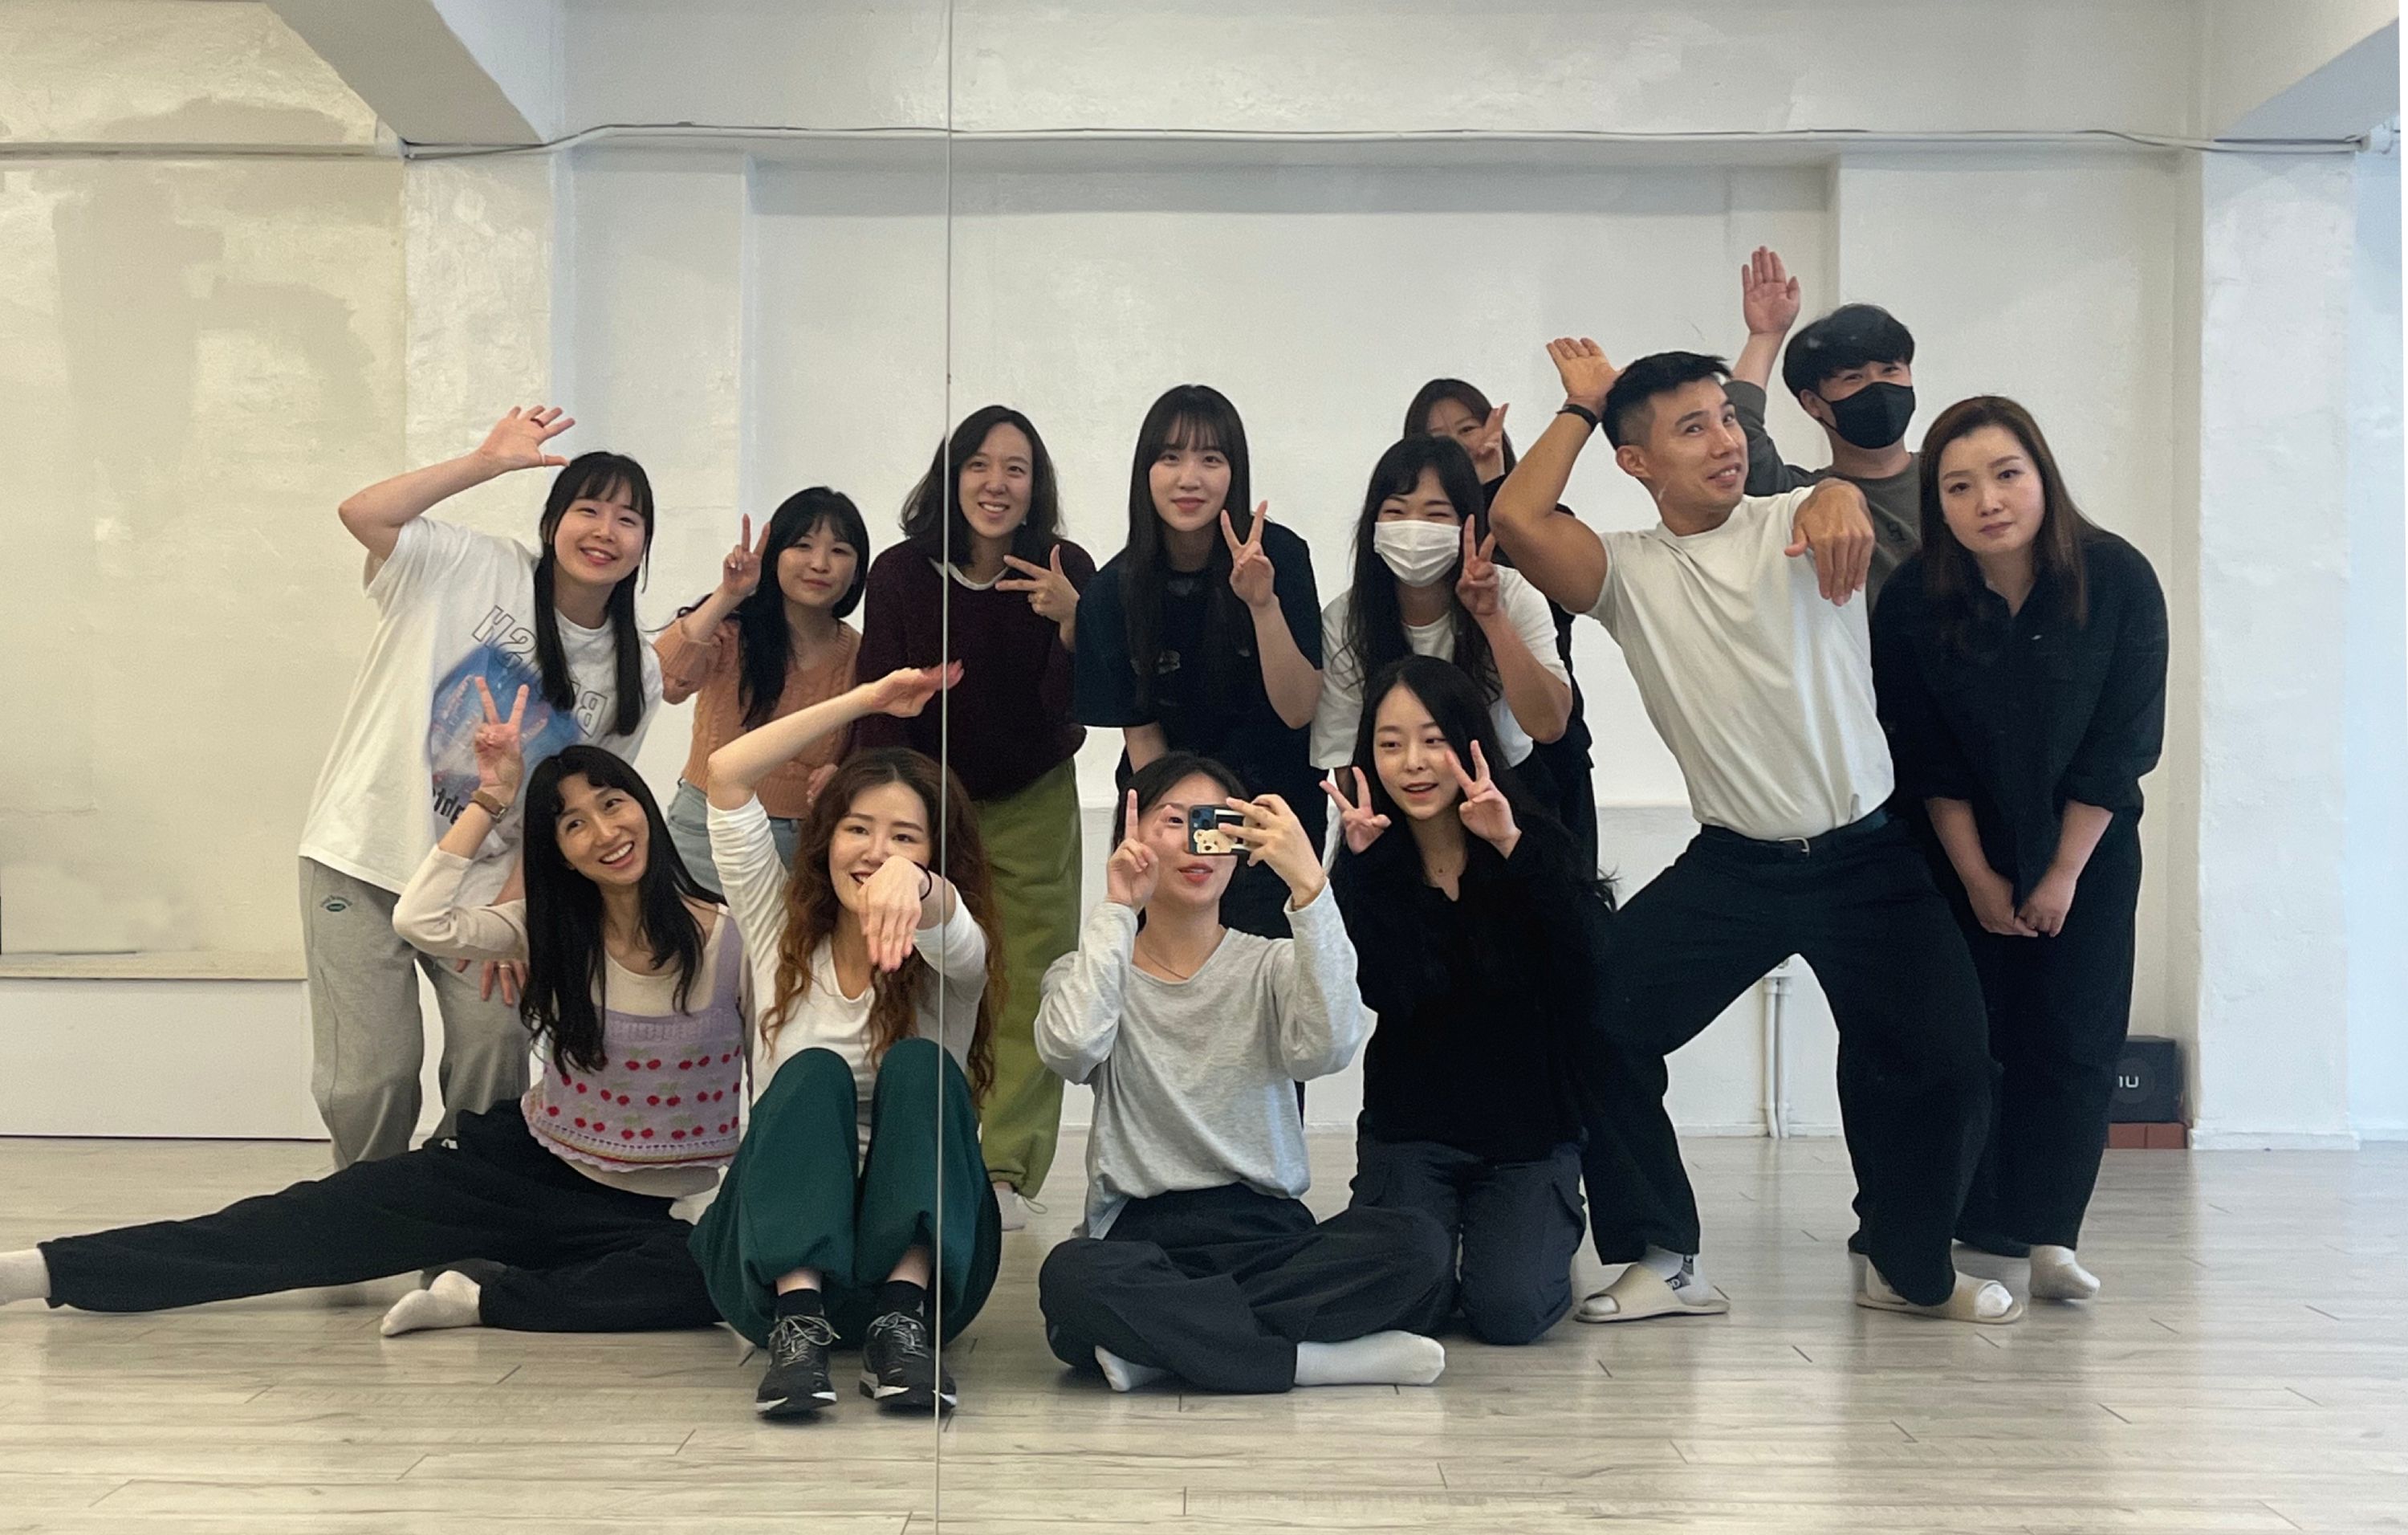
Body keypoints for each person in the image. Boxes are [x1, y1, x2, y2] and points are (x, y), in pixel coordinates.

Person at [1489, 339, 2015, 1325]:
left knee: (1952, 1062)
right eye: (1692, 428)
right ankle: (1664, 1256)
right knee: (1600, 1023)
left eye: (1727, 418)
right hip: (1736, 866)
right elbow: (1516, 519)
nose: (1725, 441)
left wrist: (1836, 494)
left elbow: (1837, 501)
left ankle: (1906, 1265)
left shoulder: (1801, 515)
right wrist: (1584, 405)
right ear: (1636, 461)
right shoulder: (1627, 571)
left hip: (1870, 855)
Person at [2, 693, 729, 1338]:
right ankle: (39, 1271)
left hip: (638, 1217)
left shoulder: (730, 938)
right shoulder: (544, 927)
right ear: (561, 854)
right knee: (285, 1231)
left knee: (711, 1281)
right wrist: (488, 802)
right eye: (573, 824)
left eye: (613, 804)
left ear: (645, 806)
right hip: (518, 1170)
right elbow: (422, 919)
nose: (604, 832)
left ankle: (478, 1300)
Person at [302, 406, 661, 1169]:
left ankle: (463, 1210)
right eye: (589, 509)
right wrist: (485, 462)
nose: (605, 530)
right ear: (553, 522)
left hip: (485, 888)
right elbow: (362, 513)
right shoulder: (470, 565)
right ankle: (364, 1212)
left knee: (494, 1061)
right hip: (363, 854)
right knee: (370, 1082)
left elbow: (572, 806)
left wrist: (514, 910)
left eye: (628, 519)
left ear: (643, 546)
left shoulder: (636, 669)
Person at [1031, 754, 1453, 1395]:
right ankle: (1311, 1362)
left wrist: (1309, 885)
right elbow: (1071, 1047)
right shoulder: (1090, 969)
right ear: (1132, 833)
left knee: (1420, 1245)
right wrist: (1117, 908)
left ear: (1239, 846)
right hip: (1143, 1238)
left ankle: (1165, 1350)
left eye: (1214, 823)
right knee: (1070, 1278)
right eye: (1174, 820)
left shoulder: (1273, 966)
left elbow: (1330, 1047)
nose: (1195, 841)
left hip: (1269, 1232)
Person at [1871, 397, 2167, 1303]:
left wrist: (2062, 874)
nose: (1988, 501)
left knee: (2074, 1039)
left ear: (2043, 476)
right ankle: (1952, 1221)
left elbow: (2123, 742)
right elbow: (1924, 752)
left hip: (2090, 849)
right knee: (1966, 1041)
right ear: (1938, 504)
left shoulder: (2116, 578)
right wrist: (1977, 876)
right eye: (1959, 486)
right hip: (1954, 851)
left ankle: (2052, 1237)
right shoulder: (1914, 598)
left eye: (2006, 475)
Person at [695, 665, 1004, 1419]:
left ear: (936, 856)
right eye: (858, 829)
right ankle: (799, 1325)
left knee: (922, 1065)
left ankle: (900, 1321)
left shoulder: (949, 957)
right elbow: (727, 773)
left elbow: (957, 933)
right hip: (773, 1276)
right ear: (826, 836)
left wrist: (918, 889)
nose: (876, 852)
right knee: (813, 1073)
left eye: (905, 838)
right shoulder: (777, 925)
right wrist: (867, 702)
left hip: (930, 1287)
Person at [855, 406, 1095, 1231]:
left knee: (1027, 983)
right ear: (951, 477)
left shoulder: (1064, 569)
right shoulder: (899, 574)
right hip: (924, 801)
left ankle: (1005, 1170)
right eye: (979, 465)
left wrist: (1073, 621)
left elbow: (1075, 709)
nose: (997, 484)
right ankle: (915, 1155)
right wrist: (881, 814)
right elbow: (878, 706)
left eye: (1016, 468)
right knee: (916, 974)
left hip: (1034, 798)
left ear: (1036, 486)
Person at [1327, 656, 1613, 1345]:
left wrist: (1510, 844)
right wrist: (1356, 876)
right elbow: (1371, 991)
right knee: (1408, 1309)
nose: (1413, 763)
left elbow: (1594, 962)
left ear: (1469, 742)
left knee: (1509, 1312)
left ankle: (1525, 1232)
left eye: (1433, 740)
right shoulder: (1370, 859)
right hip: (1413, 1130)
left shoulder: (1529, 837)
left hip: (1526, 1137)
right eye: (1390, 744)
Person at [1074, 385, 1327, 939]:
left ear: (1235, 473)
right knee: (1174, 968)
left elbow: (1299, 709)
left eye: (1211, 459)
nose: (1189, 478)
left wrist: (1263, 605)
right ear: (1145, 472)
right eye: (1170, 457)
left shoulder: (1281, 557)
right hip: (1169, 811)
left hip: (1271, 810)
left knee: (1270, 970)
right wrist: (1191, 839)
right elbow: (1144, 740)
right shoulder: (1112, 592)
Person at [1405, 377, 1601, 873]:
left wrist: (1494, 487)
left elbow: (1551, 600)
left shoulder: (1547, 521)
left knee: (1561, 890)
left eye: (1468, 429)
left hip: (1546, 744)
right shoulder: (1418, 542)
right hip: (1443, 759)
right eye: (1439, 439)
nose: (1461, 447)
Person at [1309, 435, 1572, 785]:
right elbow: (1344, 750)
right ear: (1373, 525)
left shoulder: (1512, 595)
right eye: (1396, 512)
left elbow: (1549, 725)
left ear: (1467, 523)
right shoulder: (1345, 618)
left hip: (1504, 785)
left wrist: (1492, 619)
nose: (1414, 528)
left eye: (1436, 514)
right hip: (1399, 794)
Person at [655, 487, 868, 889]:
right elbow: (665, 682)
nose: (820, 563)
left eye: (840, 551)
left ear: (858, 571)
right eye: (802, 545)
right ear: (774, 557)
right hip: (706, 829)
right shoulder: (733, 629)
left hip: (803, 843)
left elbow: (869, 743)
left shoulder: (861, 654)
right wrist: (728, 595)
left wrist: (842, 773)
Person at [1727, 248, 1922, 596]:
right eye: (1853, 378)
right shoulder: (1800, 500)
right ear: (1813, 403)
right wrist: (1765, 337)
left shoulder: (1955, 475)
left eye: (1890, 370)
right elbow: (1738, 432)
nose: (1878, 387)